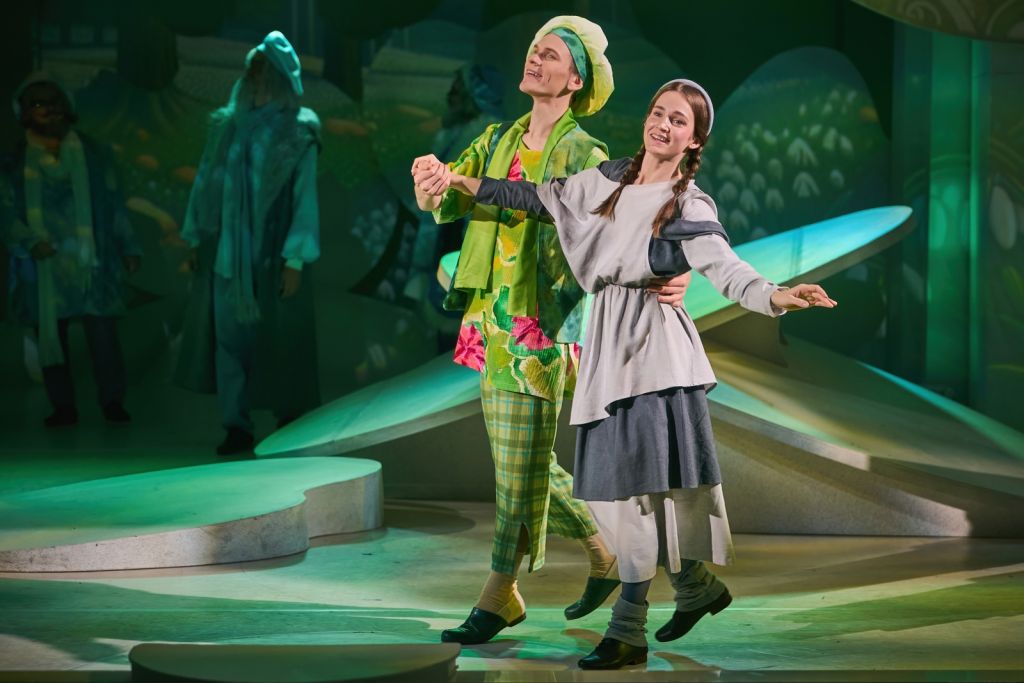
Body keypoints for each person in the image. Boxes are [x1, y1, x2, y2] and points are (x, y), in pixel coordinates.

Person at [420, 78, 836, 668]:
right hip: (608, 349)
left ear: (695, 140)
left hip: (654, 359)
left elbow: (726, 268)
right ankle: (693, 586)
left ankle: (628, 630)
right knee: (625, 493)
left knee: (637, 495)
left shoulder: (687, 203)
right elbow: (538, 198)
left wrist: (776, 296)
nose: (663, 125)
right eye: (658, 113)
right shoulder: (609, 180)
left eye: (679, 121)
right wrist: (463, 182)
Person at [411, 16, 690, 646]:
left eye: (550, 54)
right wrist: (430, 182)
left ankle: (500, 592)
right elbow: (448, 199)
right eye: (534, 50)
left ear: (575, 80)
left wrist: (671, 270)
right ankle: (604, 555)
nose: (534, 59)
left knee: (518, 470)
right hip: (489, 320)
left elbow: (621, 225)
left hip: (541, 326)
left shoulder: (584, 153)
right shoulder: (496, 137)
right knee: (525, 465)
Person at [175, 31, 321, 455]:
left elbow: (304, 198)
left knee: (279, 338)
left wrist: (296, 259)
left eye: (262, 71)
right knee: (229, 343)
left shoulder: (297, 130)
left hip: (273, 254)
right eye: (251, 70)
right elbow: (206, 182)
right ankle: (235, 423)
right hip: (227, 254)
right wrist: (195, 236)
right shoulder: (227, 126)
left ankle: (288, 417)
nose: (254, 78)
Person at [1, 73, 141, 427]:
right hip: (43, 265)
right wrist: (30, 242)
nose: (48, 110)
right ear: (24, 112)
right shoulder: (13, 161)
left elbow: (113, 202)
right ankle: (62, 406)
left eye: (54, 102)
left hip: (92, 261)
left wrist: (128, 246)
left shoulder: (94, 154)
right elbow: (4, 210)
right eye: (37, 103)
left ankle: (113, 401)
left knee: (103, 336)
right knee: (52, 336)